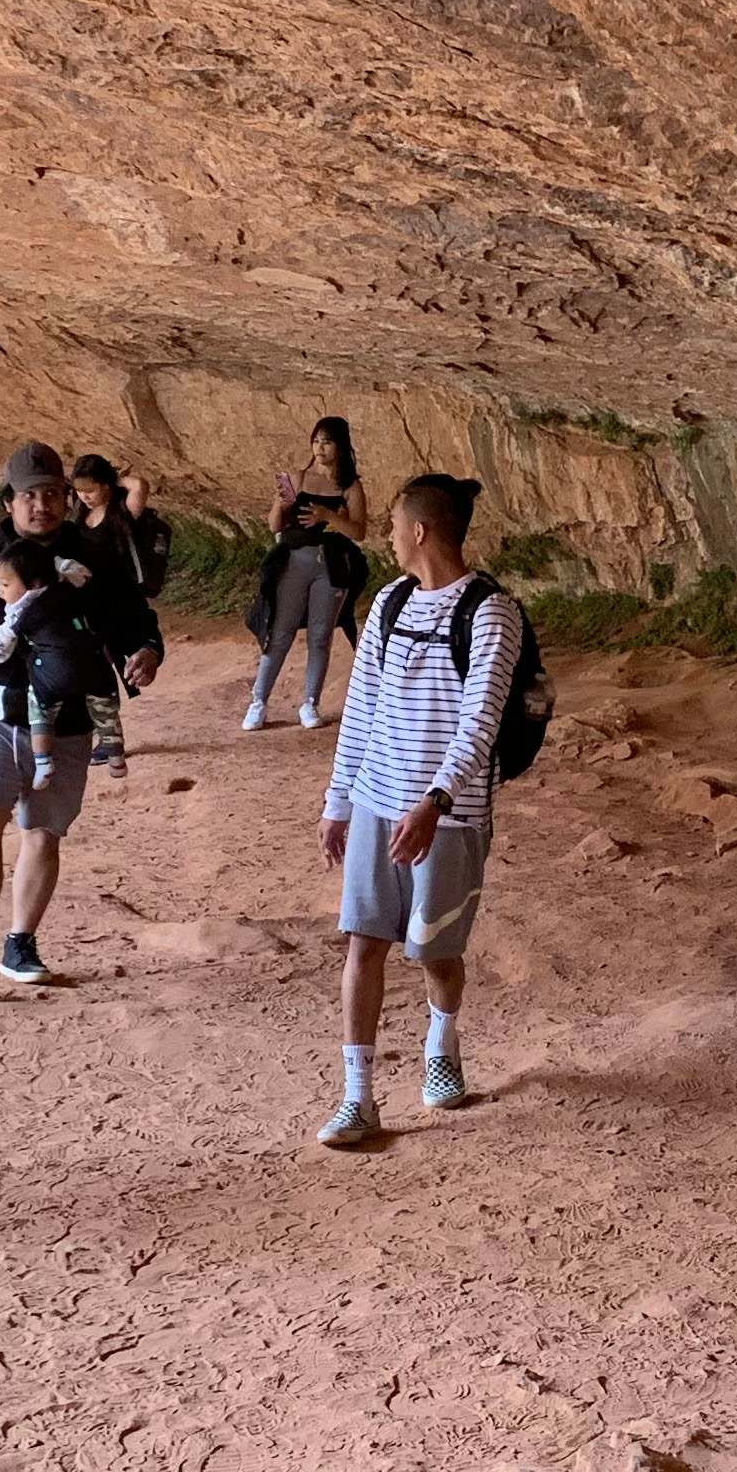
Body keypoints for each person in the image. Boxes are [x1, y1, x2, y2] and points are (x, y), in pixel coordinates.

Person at [0, 439, 165, 986]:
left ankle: (21, 945)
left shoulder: (93, 562)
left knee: (42, 832)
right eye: (28, 496)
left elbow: (133, 619)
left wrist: (147, 651)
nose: (39, 505)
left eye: (50, 494)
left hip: (65, 724)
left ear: (66, 499)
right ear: (8, 503)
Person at [313, 472, 528, 1152]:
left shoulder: (492, 613)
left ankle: (443, 1040)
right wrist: (339, 800)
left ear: (420, 531)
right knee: (364, 943)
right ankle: (358, 1097)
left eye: (394, 524)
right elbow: (364, 708)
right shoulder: (391, 603)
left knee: (436, 950)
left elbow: (480, 721)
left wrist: (435, 802)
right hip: (379, 801)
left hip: (449, 816)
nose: (387, 535)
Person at [0, 534, 129, 791]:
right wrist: (54, 563)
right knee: (104, 707)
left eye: (5, 584)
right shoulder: (69, 585)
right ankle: (116, 757)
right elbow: (82, 572)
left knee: (39, 711)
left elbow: (1, 645)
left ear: (31, 584)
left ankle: (43, 763)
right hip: (93, 664)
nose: (0, 591)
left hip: (53, 674)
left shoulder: (20, 611)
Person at [245, 414, 370, 733]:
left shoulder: (350, 486)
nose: (320, 448)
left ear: (340, 446)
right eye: (316, 441)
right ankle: (258, 701)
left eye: (327, 441)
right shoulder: (297, 477)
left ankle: (310, 703)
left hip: (328, 563)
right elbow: (275, 525)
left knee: (320, 635)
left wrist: (328, 515)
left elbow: (358, 531)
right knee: (281, 630)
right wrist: (280, 502)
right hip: (294, 559)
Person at [70, 451, 172, 607]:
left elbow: (139, 485)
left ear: (105, 486)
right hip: (90, 589)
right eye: (79, 490)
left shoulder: (123, 510)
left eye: (90, 490)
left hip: (121, 591)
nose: (84, 496)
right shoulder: (81, 511)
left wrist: (115, 479)